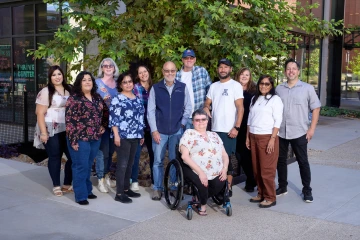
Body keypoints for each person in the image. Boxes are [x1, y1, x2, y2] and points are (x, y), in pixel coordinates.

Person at [275, 58, 321, 203]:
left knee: (303, 161)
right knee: (280, 161)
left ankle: (307, 190)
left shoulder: (307, 88)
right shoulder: (279, 89)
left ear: (298, 71)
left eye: (294, 69)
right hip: (281, 132)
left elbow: (316, 108)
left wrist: (311, 129)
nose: (291, 71)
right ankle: (282, 187)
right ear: (285, 71)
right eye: (288, 69)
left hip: (300, 131)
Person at [147, 61, 192, 201]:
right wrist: (154, 131)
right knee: (158, 161)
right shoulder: (156, 88)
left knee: (174, 160)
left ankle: (173, 187)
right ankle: (157, 189)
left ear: (176, 71)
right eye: (167, 71)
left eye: (172, 71)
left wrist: (182, 125)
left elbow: (188, 108)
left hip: (176, 131)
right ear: (163, 72)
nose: (170, 73)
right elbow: (150, 111)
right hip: (159, 132)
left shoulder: (182, 87)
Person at [65, 71, 109, 205]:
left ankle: (88, 190)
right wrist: (73, 140)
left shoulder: (96, 97)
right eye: (84, 80)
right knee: (81, 166)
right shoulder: (74, 98)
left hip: (95, 137)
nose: (88, 82)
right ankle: (81, 195)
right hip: (79, 138)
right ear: (79, 82)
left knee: (88, 165)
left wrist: (103, 125)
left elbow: (105, 111)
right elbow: (69, 120)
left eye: (89, 79)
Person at [203, 58, 244, 197]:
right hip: (215, 130)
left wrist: (236, 128)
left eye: (226, 67)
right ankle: (218, 187)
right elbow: (207, 102)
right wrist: (206, 107)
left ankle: (228, 187)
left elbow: (240, 108)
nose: (223, 69)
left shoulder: (235, 86)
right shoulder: (213, 86)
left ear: (231, 69)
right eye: (220, 67)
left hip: (229, 131)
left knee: (229, 159)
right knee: (216, 159)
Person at [179, 109, 229, 216]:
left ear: (207, 121)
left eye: (203, 119)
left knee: (218, 184)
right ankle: (202, 205)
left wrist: (225, 169)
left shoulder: (214, 135)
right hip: (195, 168)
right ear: (193, 122)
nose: (201, 122)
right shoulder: (189, 134)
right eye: (197, 120)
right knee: (203, 184)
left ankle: (200, 197)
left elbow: (224, 154)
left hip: (216, 169)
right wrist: (200, 172)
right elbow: (184, 156)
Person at [34, 65, 73, 197]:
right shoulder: (46, 91)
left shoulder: (69, 89)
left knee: (73, 157)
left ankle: (67, 184)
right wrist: (43, 132)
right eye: (54, 75)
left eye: (59, 74)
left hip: (67, 128)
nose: (57, 77)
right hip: (51, 127)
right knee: (55, 156)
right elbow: (39, 113)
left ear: (63, 75)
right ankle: (56, 185)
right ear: (50, 77)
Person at [246, 75, 283, 208]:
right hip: (254, 136)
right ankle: (261, 193)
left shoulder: (275, 100)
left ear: (271, 86)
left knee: (267, 169)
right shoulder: (255, 98)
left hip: (267, 136)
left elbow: (278, 120)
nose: (264, 86)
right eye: (261, 83)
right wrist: (247, 136)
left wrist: (273, 139)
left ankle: (270, 197)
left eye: (267, 84)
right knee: (256, 169)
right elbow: (250, 119)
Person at [109, 72, 144, 203]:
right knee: (122, 164)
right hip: (123, 136)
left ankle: (125, 189)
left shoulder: (136, 99)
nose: (128, 84)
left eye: (130, 81)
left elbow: (140, 117)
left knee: (130, 163)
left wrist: (140, 134)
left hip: (135, 135)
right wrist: (116, 135)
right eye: (125, 82)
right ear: (120, 84)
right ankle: (119, 193)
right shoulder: (117, 99)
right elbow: (114, 119)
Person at [94, 58, 120, 193]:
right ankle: (100, 178)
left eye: (111, 65)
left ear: (114, 68)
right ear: (102, 68)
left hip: (115, 123)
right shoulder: (96, 83)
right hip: (101, 123)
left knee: (111, 151)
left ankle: (106, 174)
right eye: (105, 66)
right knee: (102, 152)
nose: (108, 67)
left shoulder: (117, 84)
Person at [131, 65, 154, 191]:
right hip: (139, 126)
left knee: (154, 153)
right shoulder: (135, 88)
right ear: (138, 75)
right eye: (140, 73)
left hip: (152, 126)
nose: (143, 74)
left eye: (145, 71)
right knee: (136, 154)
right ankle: (133, 180)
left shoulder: (154, 88)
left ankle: (155, 182)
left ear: (148, 72)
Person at [175, 49, 212, 129]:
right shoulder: (176, 76)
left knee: (201, 140)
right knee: (185, 140)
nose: (189, 60)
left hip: (200, 116)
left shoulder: (202, 71)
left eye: (191, 58)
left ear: (195, 59)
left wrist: (207, 107)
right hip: (183, 117)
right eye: (186, 58)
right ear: (182, 60)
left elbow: (210, 92)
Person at [235, 67, 257, 192]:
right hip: (235, 125)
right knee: (239, 154)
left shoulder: (254, 91)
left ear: (250, 77)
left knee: (248, 154)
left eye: (247, 75)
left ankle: (251, 180)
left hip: (248, 125)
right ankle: (251, 177)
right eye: (242, 74)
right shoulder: (233, 88)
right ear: (238, 75)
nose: (244, 76)